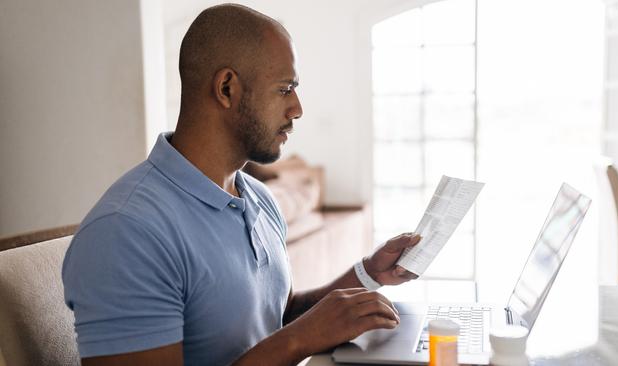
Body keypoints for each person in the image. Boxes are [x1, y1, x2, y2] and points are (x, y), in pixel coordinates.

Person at [62, 3, 421, 366]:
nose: (297, 108)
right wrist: (299, 340)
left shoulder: (257, 197)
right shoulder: (127, 232)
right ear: (227, 88)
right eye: (285, 89)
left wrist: (368, 274)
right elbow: (290, 338)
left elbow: (275, 322)